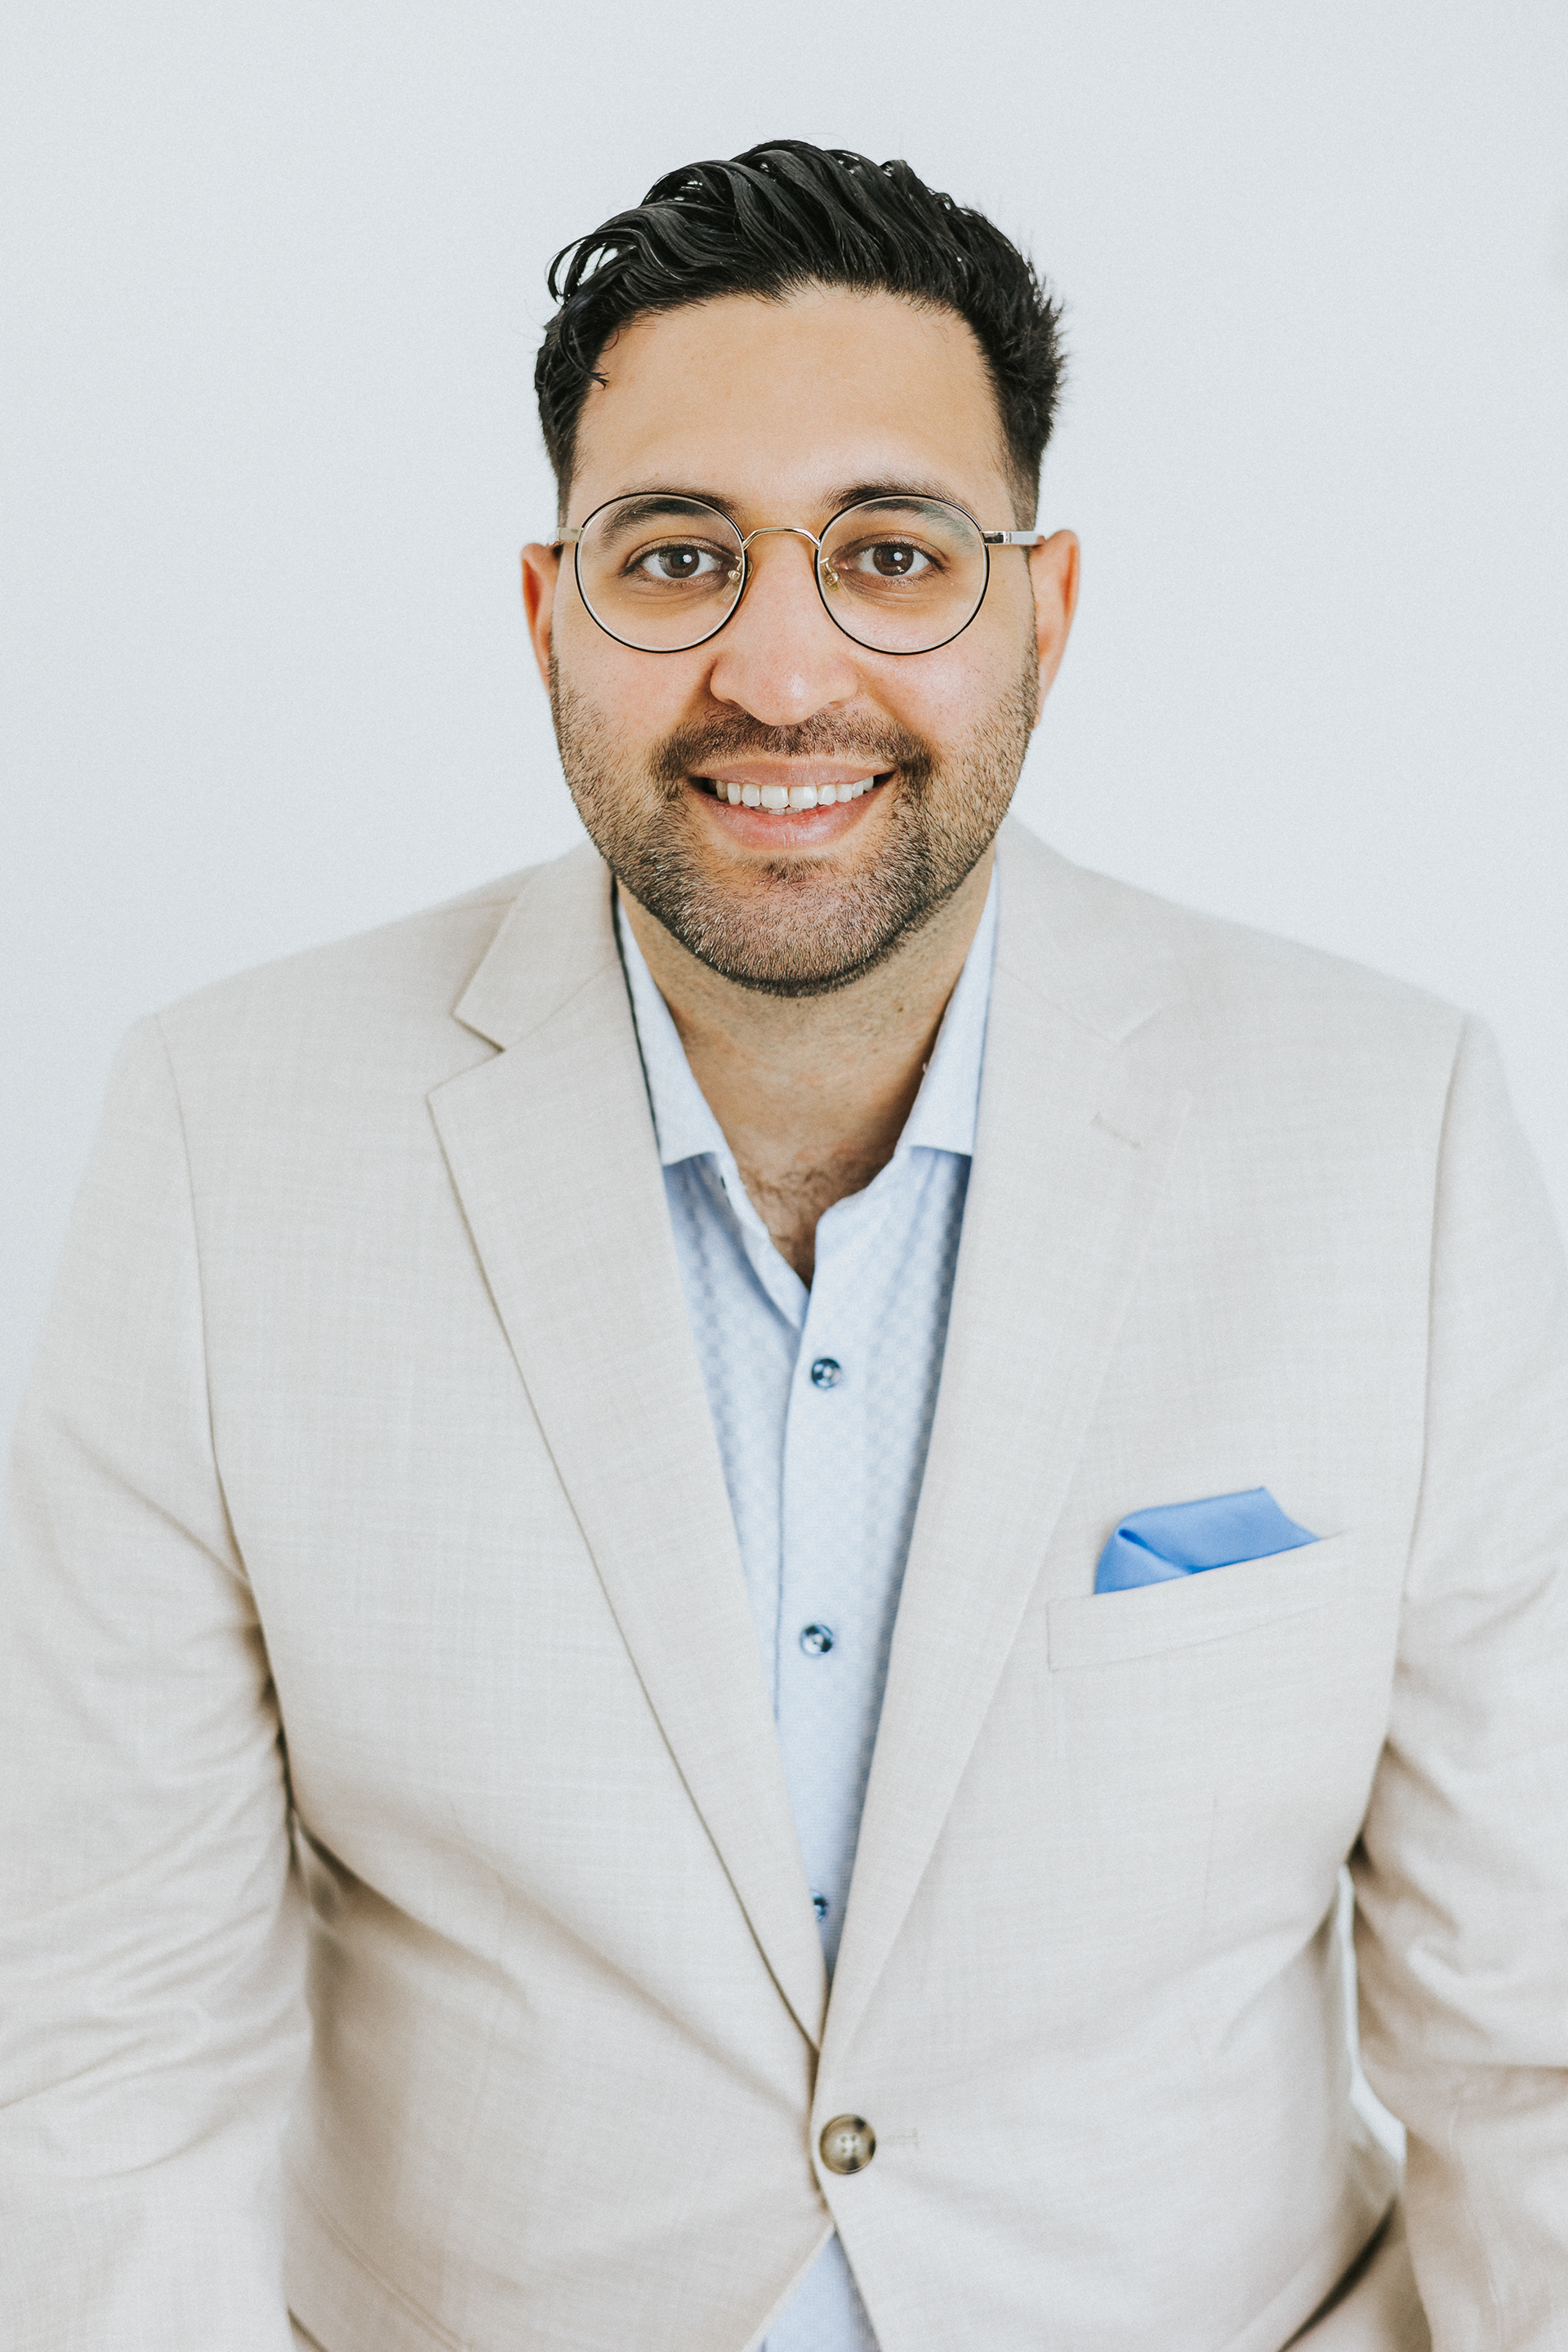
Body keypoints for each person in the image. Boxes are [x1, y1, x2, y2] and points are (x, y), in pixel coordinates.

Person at [2, 136, 1565, 2352]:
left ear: (1045, 613)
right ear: (549, 617)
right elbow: (102, 2077)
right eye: (677, 557)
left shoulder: (1391, 1136)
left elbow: (1535, 2054)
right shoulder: (219, 1145)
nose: (780, 666)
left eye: (893, 555)